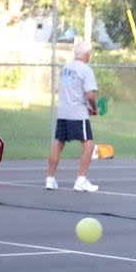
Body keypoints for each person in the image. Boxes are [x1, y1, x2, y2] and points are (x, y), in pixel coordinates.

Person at [45, 41, 99, 192]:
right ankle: (81, 180)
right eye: (90, 53)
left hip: (63, 112)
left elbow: (71, 92)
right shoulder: (86, 70)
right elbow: (90, 95)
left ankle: (50, 179)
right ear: (87, 54)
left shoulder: (66, 69)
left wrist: (86, 106)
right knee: (89, 144)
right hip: (77, 114)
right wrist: (94, 109)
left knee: (58, 143)